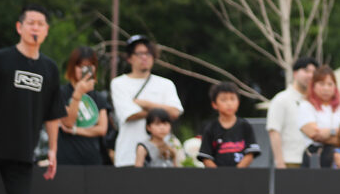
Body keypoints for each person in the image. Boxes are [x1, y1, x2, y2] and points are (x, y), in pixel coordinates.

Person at [0, 5, 66, 194]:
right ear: (19, 27)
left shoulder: (50, 68)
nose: (35, 27)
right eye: (31, 22)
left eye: (41, 23)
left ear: (46, 30)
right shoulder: (0, 59)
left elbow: (53, 114)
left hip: (22, 149)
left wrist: (53, 150)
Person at [110, 35, 183, 167]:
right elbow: (129, 115)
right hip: (128, 155)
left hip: (161, 158)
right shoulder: (119, 83)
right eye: (139, 53)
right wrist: (162, 113)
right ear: (129, 58)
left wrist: (147, 104)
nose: (144, 57)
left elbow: (175, 112)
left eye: (148, 53)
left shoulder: (166, 84)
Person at [57, 46, 110, 166]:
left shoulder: (98, 97)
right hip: (66, 160)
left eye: (89, 66)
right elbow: (68, 122)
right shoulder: (61, 93)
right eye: (80, 66)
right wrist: (78, 94)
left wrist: (76, 130)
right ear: (72, 67)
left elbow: (102, 129)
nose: (84, 70)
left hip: (93, 160)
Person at [296, 66, 340, 168]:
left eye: (330, 84)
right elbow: (314, 134)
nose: (326, 88)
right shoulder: (305, 106)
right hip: (317, 158)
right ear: (313, 86)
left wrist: (331, 132)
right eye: (321, 84)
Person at [266, 56, 317, 169]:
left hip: (314, 162)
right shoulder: (281, 99)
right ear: (295, 73)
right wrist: (280, 163)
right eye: (306, 71)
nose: (310, 75)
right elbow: (274, 132)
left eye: (314, 72)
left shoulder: (316, 101)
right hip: (290, 161)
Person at [197, 82, 261, 168]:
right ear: (214, 104)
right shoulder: (210, 128)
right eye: (224, 100)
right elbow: (206, 157)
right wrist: (219, 174)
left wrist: (236, 172)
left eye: (232, 99)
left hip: (241, 174)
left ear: (238, 102)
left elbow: (250, 153)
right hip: (216, 175)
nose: (229, 103)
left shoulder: (245, 126)